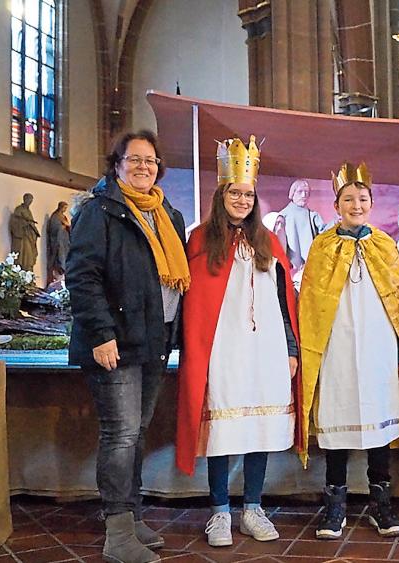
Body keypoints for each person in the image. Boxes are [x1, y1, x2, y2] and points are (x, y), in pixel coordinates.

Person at [66, 130, 189, 563]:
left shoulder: (167, 214)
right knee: (119, 434)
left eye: (150, 161)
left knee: (136, 432)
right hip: (114, 342)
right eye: (134, 159)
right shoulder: (98, 211)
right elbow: (82, 277)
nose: (143, 167)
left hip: (154, 338)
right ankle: (117, 533)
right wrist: (100, 334)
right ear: (116, 164)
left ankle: (132, 516)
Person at [176, 136, 301, 548]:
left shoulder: (270, 242)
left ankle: (252, 507)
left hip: (265, 350)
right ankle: (219, 512)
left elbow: (285, 302)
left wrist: (290, 349)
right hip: (221, 349)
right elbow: (193, 305)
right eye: (235, 192)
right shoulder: (199, 240)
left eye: (248, 193)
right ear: (221, 194)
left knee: (260, 426)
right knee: (223, 429)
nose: (243, 199)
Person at [298, 162, 399, 541]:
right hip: (335, 349)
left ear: (371, 203)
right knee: (337, 425)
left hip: (379, 349)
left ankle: (379, 502)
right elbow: (310, 302)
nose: (356, 204)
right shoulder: (322, 246)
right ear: (337, 205)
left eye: (362, 198)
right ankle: (334, 502)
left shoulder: (385, 245)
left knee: (378, 421)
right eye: (348, 199)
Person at [278, 178, 326, 272]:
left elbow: (325, 233)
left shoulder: (313, 215)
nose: (304, 195)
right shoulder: (282, 216)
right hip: (290, 266)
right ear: (293, 193)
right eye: (300, 191)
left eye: (306, 192)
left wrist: (336, 223)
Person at [9, 193, 41, 272]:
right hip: (23, 237)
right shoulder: (19, 209)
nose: (30, 202)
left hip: (30, 236)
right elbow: (14, 222)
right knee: (24, 256)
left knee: (30, 257)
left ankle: (28, 274)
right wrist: (24, 223)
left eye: (31, 200)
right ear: (24, 199)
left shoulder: (28, 211)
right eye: (29, 200)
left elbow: (31, 223)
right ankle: (23, 272)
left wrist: (33, 228)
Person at [46, 201, 71, 284]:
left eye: (66, 208)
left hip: (65, 240)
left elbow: (69, 228)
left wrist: (67, 226)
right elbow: (53, 229)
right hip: (57, 241)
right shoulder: (55, 216)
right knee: (59, 257)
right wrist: (62, 226)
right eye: (64, 208)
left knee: (65, 257)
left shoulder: (64, 217)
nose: (64, 210)